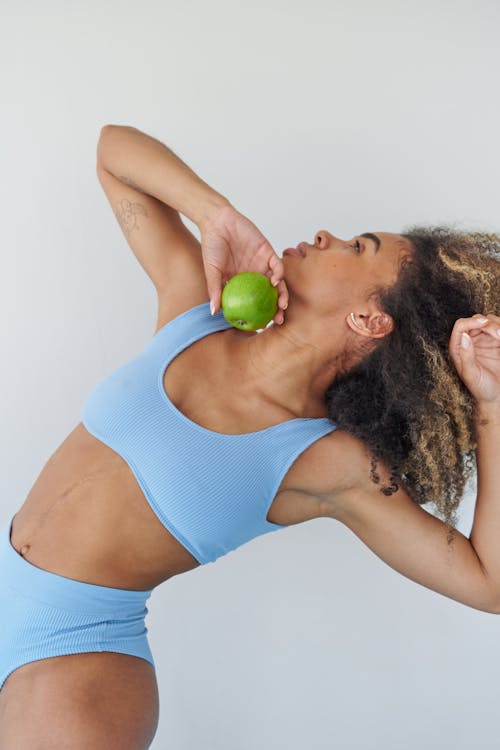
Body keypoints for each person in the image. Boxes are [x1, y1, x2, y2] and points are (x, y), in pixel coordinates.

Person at [0, 124, 499, 749]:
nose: (324, 235)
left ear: (370, 320)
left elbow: (488, 581)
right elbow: (113, 152)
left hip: (74, 658)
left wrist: (491, 405)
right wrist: (216, 215)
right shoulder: (199, 313)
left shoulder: (329, 464)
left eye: (356, 246)